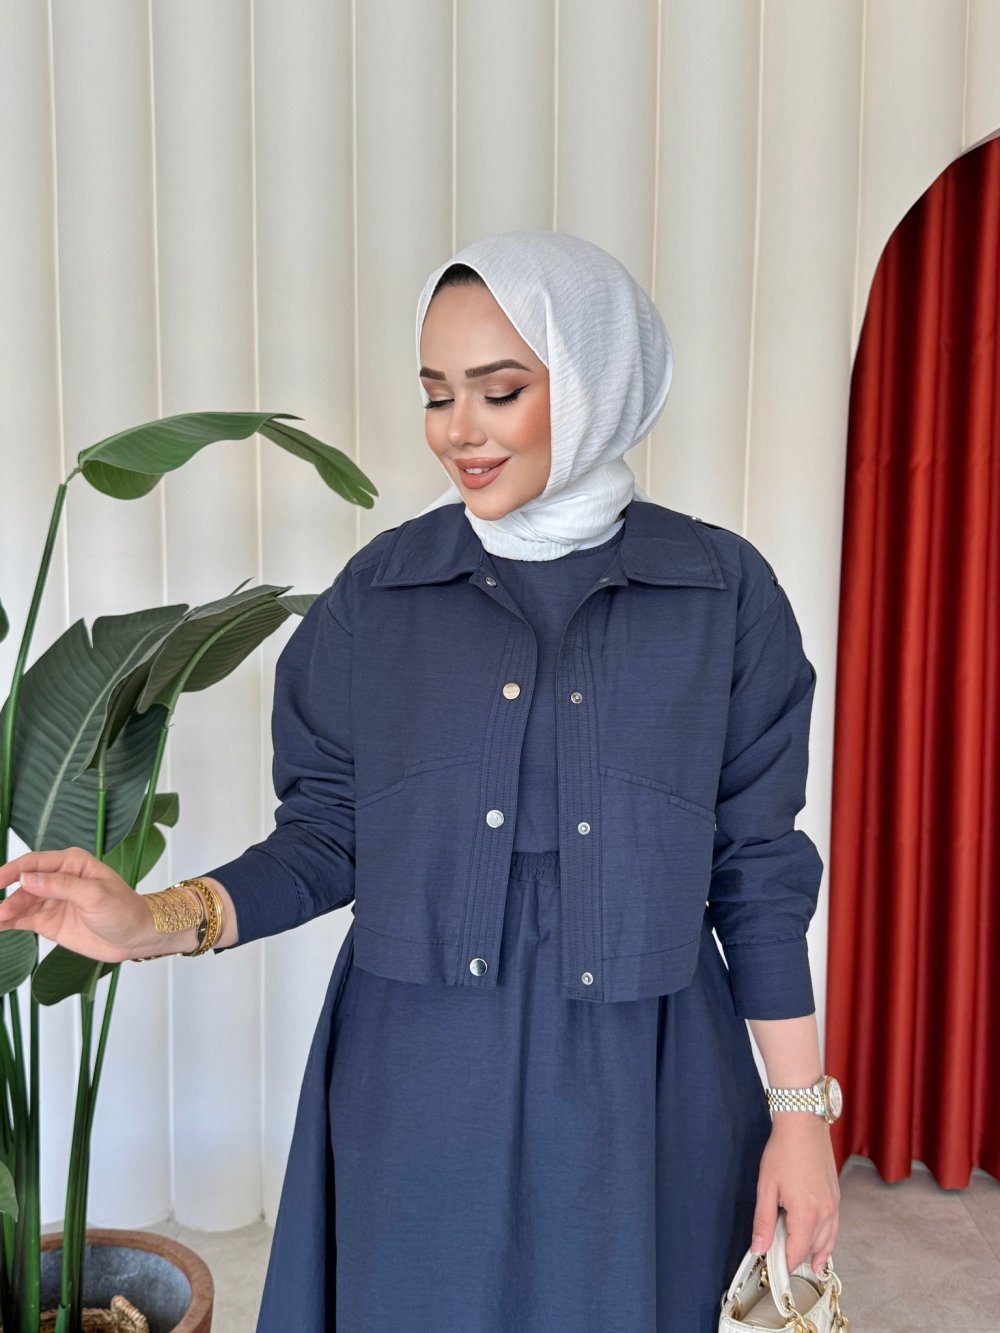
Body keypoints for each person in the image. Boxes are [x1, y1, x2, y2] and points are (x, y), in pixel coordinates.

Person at [0, 230, 841, 1331]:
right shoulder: (379, 596)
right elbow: (326, 837)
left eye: (501, 390)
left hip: (649, 1079)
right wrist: (151, 920)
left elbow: (757, 874)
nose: (458, 430)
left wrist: (799, 1118)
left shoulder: (723, 594)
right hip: (418, 1075)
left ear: (596, 380)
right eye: (437, 393)